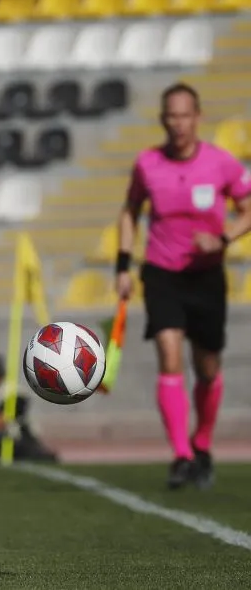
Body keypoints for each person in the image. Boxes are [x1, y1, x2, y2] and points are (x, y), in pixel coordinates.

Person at [116, 83, 251, 490]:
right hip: (161, 272)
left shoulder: (221, 164)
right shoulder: (147, 164)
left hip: (207, 275)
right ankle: (181, 455)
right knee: (169, 352)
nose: (178, 123)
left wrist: (225, 237)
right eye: (170, 116)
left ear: (198, 117)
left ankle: (202, 443)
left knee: (207, 367)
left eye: (184, 115)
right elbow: (130, 211)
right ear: (162, 119)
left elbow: (248, 207)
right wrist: (123, 265)